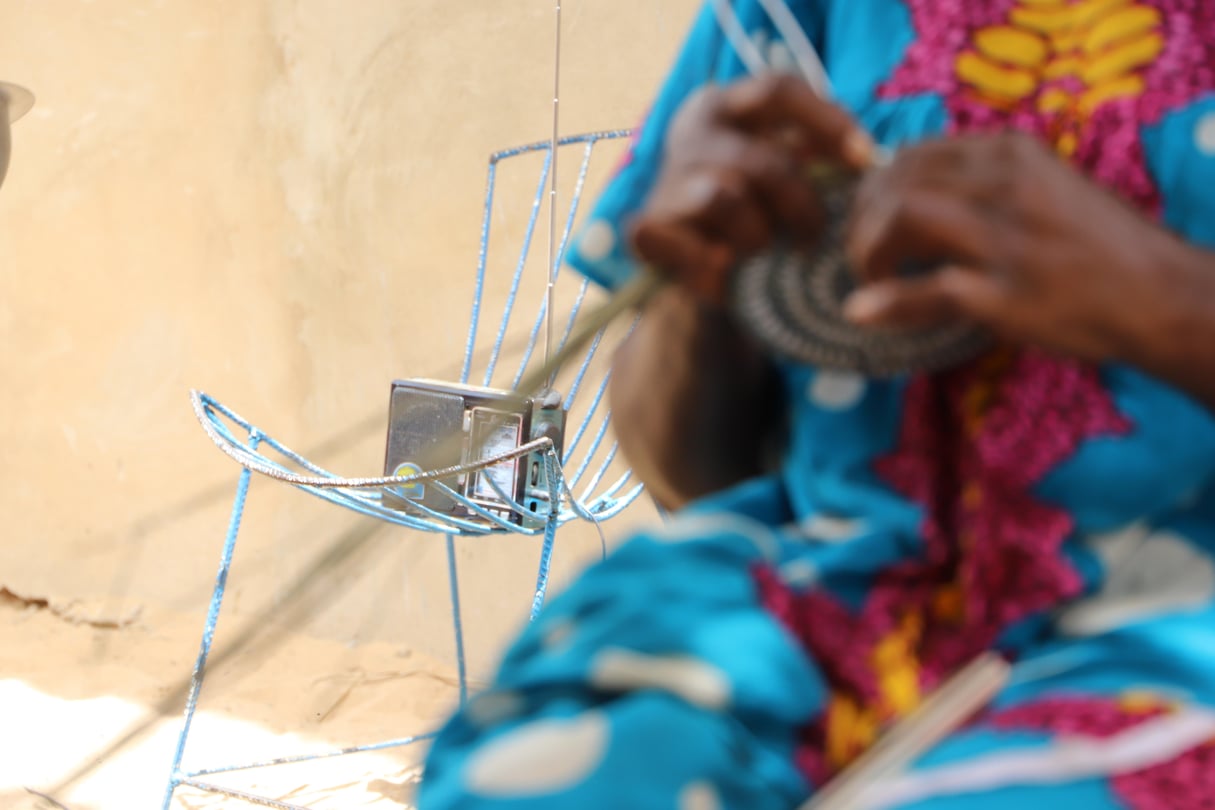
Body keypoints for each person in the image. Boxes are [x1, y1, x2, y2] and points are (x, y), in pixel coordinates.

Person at [419, 1, 1215, 807]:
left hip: (1179, 623)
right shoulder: (785, 20)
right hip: (813, 608)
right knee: (528, 778)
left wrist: (1163, 299)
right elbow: (682, 472)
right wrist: (706, 296)